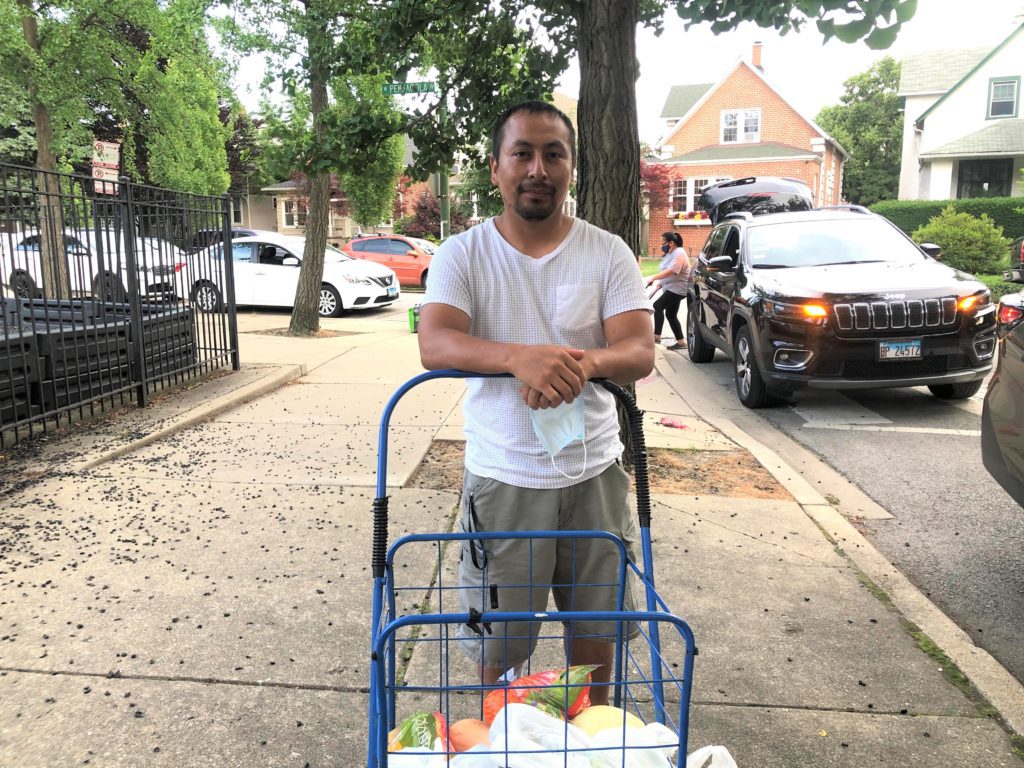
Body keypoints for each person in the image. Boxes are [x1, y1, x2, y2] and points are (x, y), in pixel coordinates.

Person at [417, 100, 654, 703]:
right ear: (495, 167)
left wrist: (581, 364)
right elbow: (435, 340)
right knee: (500, 646)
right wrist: (519, 357)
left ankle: (594, 740)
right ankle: (503, 742)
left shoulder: (609, 252)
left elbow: (639, 350)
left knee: (598, 636)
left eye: (554, 154)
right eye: (522, 152)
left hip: (594, 471)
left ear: (571, 167)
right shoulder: (462, 254)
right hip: (504, 476)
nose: (538, 168)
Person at [646, 232, 690, 350]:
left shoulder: (679, 253)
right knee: (671, 315)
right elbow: (667, 271)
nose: (662, 246)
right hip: (671, 287)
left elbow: (672, 271)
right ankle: (681, 342)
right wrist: (660, 283)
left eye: (663, 243)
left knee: (657, 305)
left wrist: (654, 277)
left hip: (678, 288)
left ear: (671, 242)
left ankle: (656, 336)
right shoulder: (670, 253)